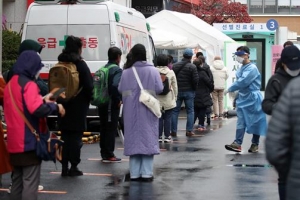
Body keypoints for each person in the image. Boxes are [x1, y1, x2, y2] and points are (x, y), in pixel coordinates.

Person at [4, 50, 65, 200]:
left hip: (13, 142)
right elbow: (36, 109)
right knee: (30, 183)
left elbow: (23, 106)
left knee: (17, 183)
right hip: (29, 142)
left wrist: (43, 100)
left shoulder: (11, 84)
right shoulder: (29, 84)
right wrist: (55, 107)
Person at [118, 44, 163, 181]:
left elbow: (120, 89)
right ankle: (147, 173)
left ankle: (135, 174)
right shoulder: (153, 71)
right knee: (148, 140)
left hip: (130, 113)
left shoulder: (126, 72)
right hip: (148, 111)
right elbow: (159, 88)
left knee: (133, 142)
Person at [264, 45, 300, 200]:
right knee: (285, 180)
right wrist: (281, 108)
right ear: (283, 63)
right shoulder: (276, 80)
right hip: (285, 134)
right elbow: (266, 105)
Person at [57, 35, 93, 176]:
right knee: (76, 138)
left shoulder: (60, 62)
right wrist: (88, 99)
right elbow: (89, 86)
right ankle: (74, 166)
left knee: (64, 137)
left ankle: (64, 166)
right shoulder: (80, 64)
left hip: (62, 105)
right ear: (79, 48)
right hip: (78, 106)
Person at [224, 46, 267, 153]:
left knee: (256, 121)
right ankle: (237, 143)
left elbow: (243, 81)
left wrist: (230, 88)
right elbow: (242, 84)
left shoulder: (252, 68)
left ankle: (255, 144)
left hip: (253, 97)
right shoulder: (241, 68)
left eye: (240, 54)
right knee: (241, 121)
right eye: (237, 55)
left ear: (247, 54)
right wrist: (236, 95)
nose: (238, 57)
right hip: (243, 97)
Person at [98, 47, 122, 163]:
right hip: (110, 103)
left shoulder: (103, 68)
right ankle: (109, 154)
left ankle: (104, 152)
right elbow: (115, 85)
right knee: (111, 128)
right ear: (118, 57)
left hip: (101, 102)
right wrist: (118, 99)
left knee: (103, 127)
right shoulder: (116, 70)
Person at [171, 48, 198, 137]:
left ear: (183, 55)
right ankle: (189, 131)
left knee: (175, 111)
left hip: (178, 91)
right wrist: (194, 89)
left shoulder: (175, 66)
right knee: (190, 111)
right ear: (191, 57)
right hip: (189, 91)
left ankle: (173, 131)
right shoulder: (192, 67)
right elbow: (195, 80)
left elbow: (172, 79)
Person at [156, 54, 178, 143]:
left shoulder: (153, 71)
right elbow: (175, 86)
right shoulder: (171, 72)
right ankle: (168, 136)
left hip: (156, 98)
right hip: (168, 98)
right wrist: (175, 96)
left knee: (159, 117)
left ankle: (159, 136)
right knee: (168, 118)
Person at [193, 58, 213, 131]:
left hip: (193, 93)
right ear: (201, 64)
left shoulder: (191, 72)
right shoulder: (203, 73)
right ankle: (201, 124)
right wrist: (210, 89)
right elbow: (208, 82)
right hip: (203, 93)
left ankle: (190, 124)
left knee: (194, 109)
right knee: (202, 109)